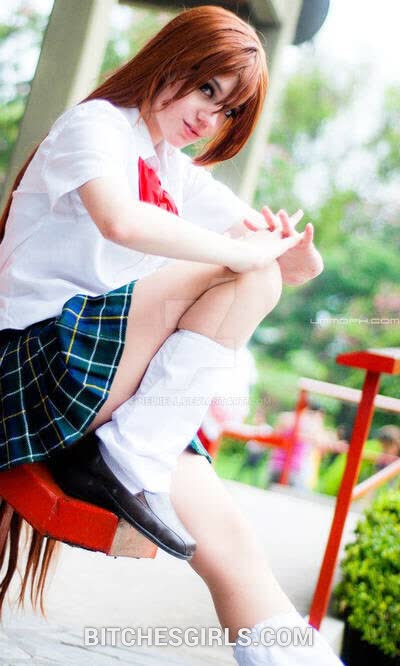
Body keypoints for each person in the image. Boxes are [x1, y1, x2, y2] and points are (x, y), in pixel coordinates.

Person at [0, 7, 343, 664]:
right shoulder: (96, 126)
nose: (209, 119)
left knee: (236, 552)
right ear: (170, 60)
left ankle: (135, 455)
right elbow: (121, 221)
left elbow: (277, 258)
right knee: (244, 271)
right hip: (34, 365)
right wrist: (241, 253)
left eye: (228, 110)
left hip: (114, 393)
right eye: (207, 88)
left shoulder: (172, 170)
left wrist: (299, 256)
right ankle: (129, 459)